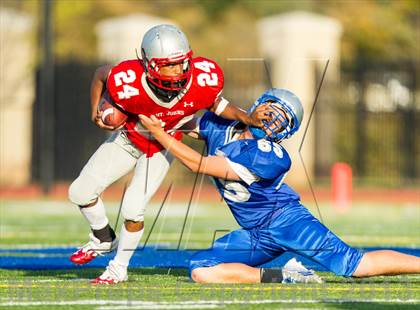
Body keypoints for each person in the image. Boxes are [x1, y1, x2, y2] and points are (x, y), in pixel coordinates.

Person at [140, 88, 420, 283]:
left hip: (287, 222)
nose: (273, 119)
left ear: (286, 132)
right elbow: (180, 118)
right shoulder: (222, 126)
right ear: (258, 104)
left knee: (353, 266)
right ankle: (287, 275)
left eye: (282, 119)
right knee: (202, 270)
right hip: (255, 233)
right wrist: (140, 109)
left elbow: (198, 165)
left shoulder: (269, 156)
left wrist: (158, 134)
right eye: (273, 109)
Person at [68, 24, 269, 284]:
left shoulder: (200, 78)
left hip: (161, 149)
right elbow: (101, 74)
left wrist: (246, 117)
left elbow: (217, 104)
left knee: (132, 209)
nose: (178, 71)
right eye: (168, 65)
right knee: (80, 192)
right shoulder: (128, 79)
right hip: (129, 139)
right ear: (149, 64)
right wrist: (95, 109)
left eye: (182, 63)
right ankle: (103, 238)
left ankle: (119, 267)